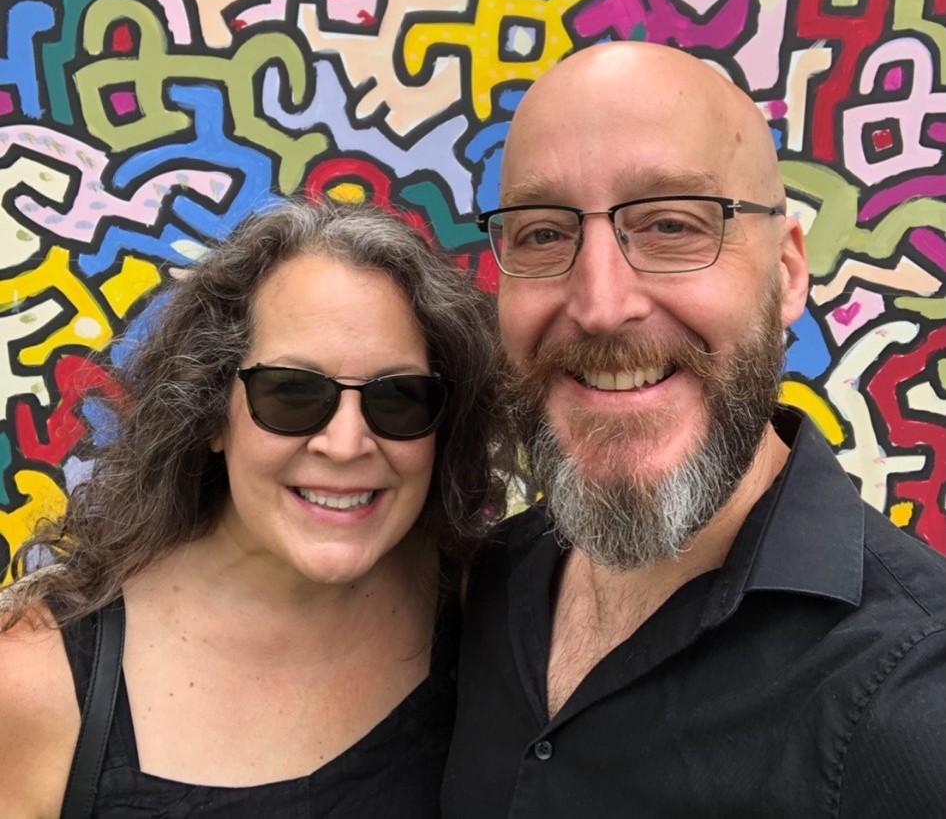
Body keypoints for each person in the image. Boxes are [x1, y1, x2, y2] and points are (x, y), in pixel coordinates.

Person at [442, 42, 946, 817]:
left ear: (786, 272)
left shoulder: (911, 707)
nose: (602, 303)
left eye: (672, 224)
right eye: (543, 234)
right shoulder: (478, 589)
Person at [0, 199, 504, 817]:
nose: (346, 445)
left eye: (398, 397)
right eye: (291, 392)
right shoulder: (36, 678)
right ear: (212, 411)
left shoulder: (487, 609)